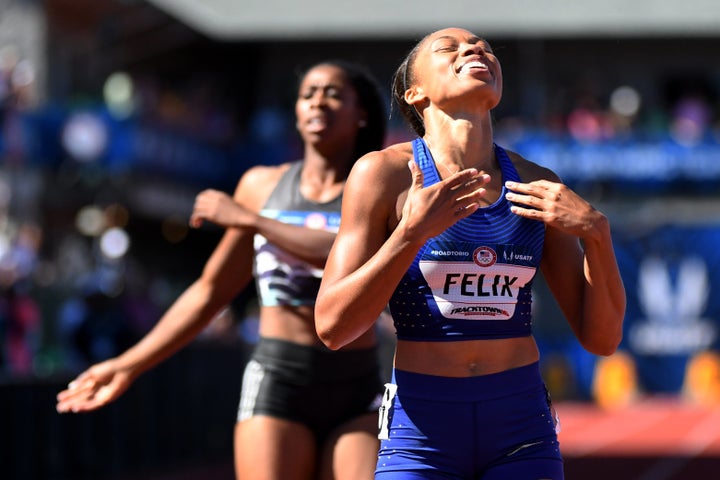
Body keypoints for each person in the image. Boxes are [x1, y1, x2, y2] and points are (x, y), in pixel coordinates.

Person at [314, 28, 626, 480]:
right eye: (449, 48)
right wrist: (410, 234)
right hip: (422, 429)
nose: (474, 50)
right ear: (414, 93)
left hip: (520, 426)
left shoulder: (537, 182)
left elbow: (603, 340)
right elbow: (332, 327)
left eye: (483, 47)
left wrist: (597, 234)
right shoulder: (383, 175)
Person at [56, 60, 388, 480]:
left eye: (333, 93)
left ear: (362, 113)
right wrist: (129, 364)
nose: (317, 102)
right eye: (307, 94)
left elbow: (353, 256)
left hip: (357, 386)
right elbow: (211, 290)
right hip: (278, 379)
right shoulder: (261, 186)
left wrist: (256, 221)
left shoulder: (378, 186)